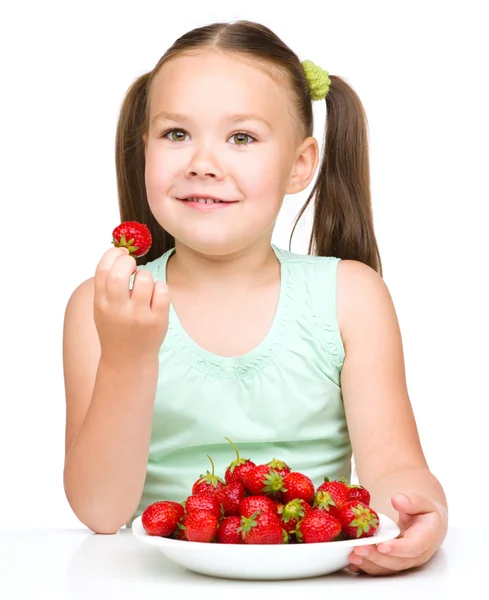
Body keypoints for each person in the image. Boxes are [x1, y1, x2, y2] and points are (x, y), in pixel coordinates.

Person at [62, 19, 448, 575]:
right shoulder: (102, 305)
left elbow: (394, 467)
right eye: (175, 134)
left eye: (241, 137)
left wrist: (421, 515)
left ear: (300, 165)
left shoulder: (350, 296)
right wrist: (127, 356)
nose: (202, 161)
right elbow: (101, 512)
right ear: (143, 149)